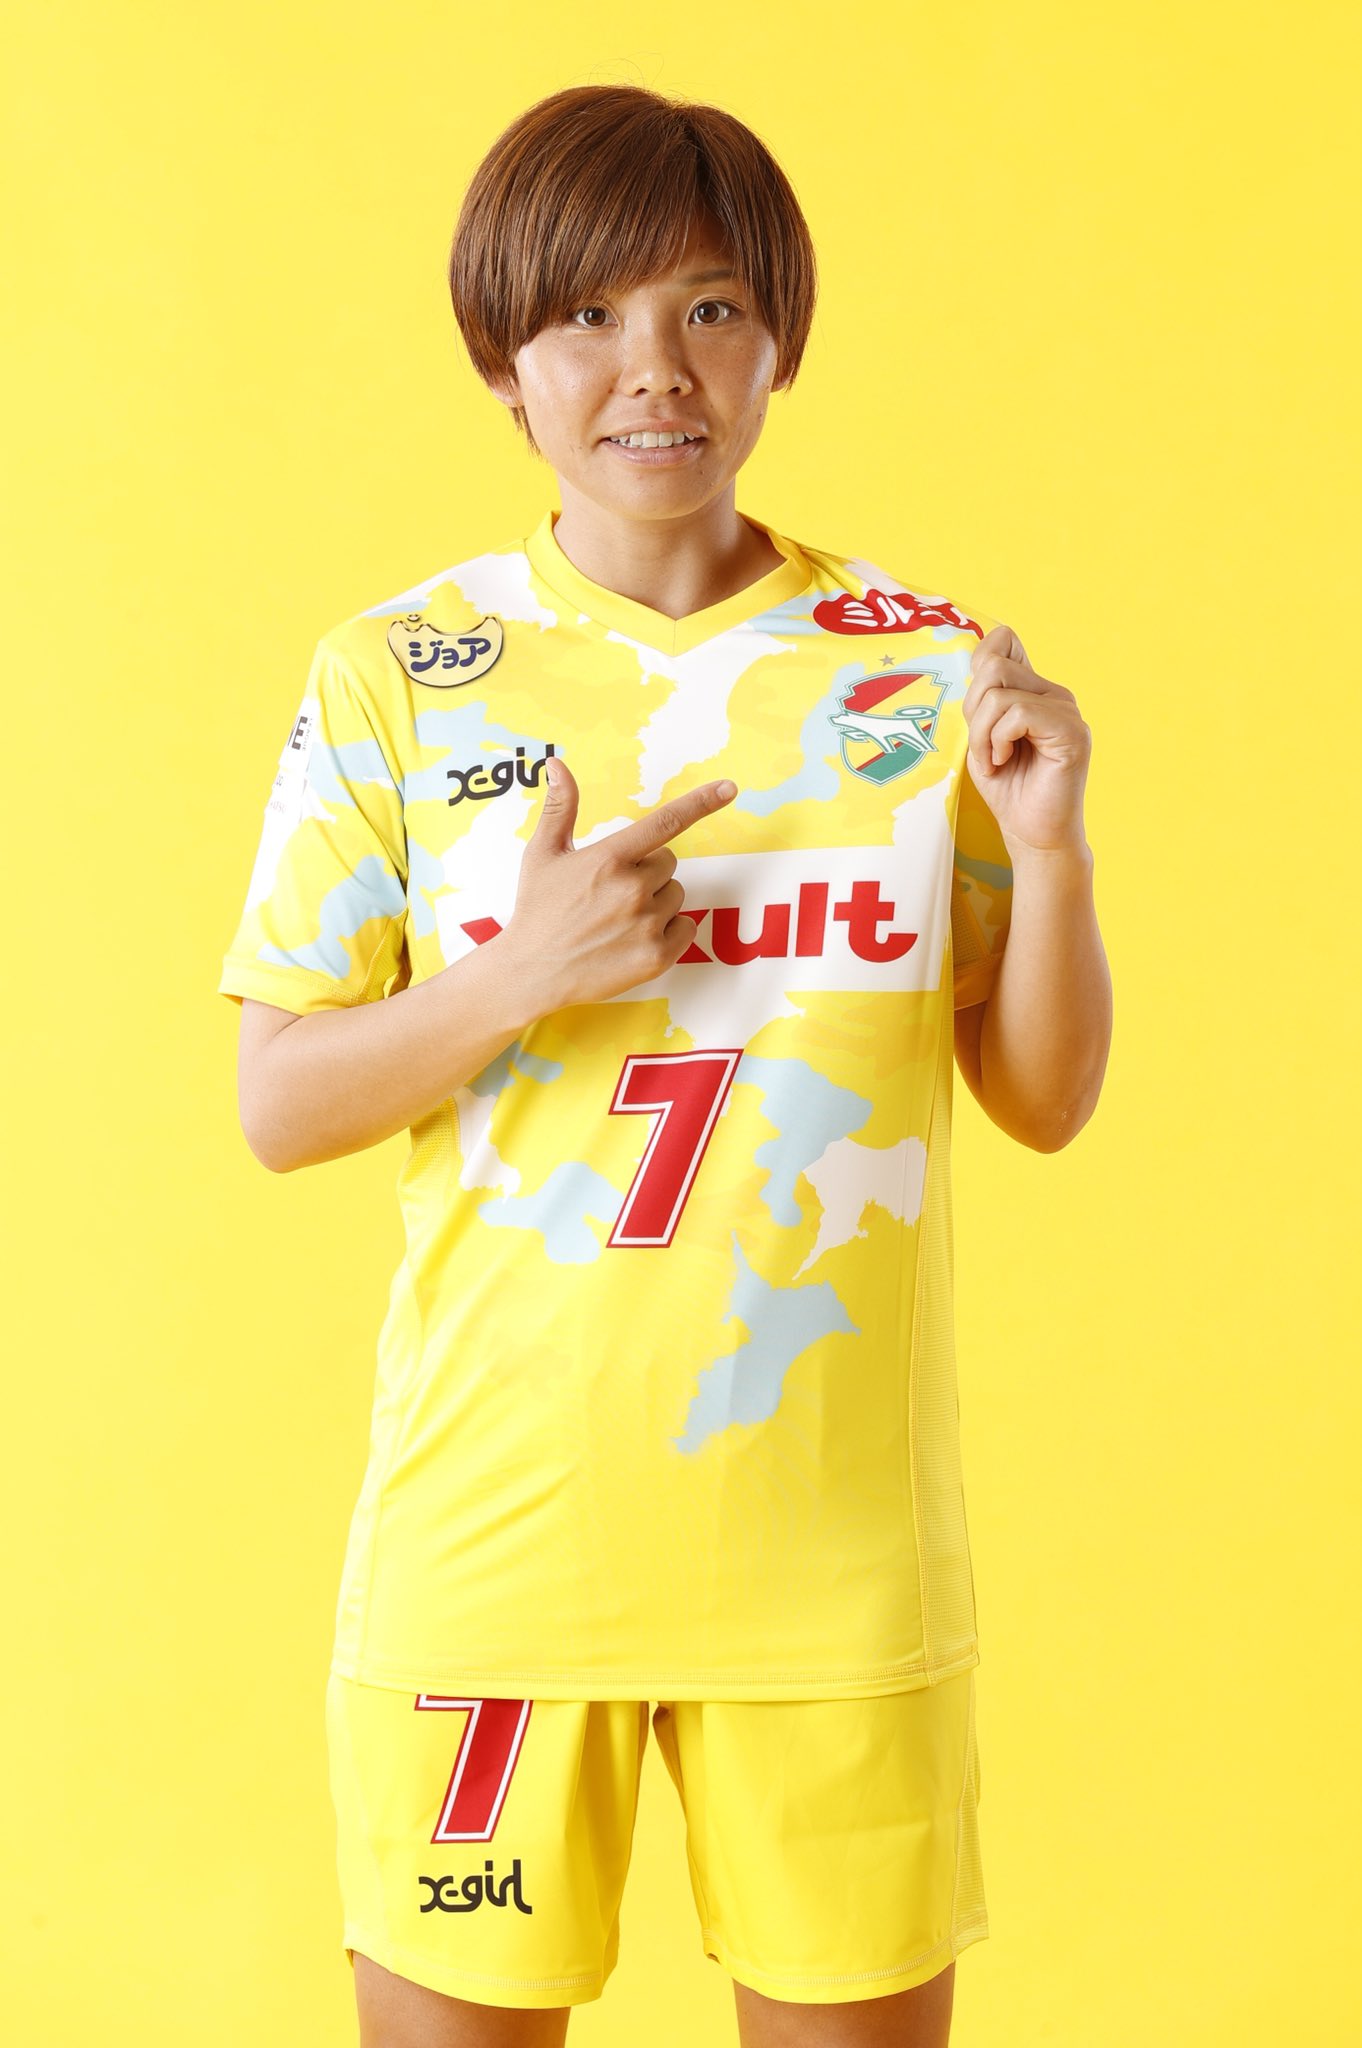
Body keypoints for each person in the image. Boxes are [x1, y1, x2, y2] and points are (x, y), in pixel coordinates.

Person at [217, 81, 1111, 2048]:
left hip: (833, 1567)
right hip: (492, 1556)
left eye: (709, 308)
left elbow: (1041, 1099)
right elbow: (279, 1101)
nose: (654, 369)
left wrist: (1048, 852)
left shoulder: (918, 670)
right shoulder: (396, 672)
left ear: (779, 340)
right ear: (502, 358)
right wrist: (522, 975)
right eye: (589, 317)